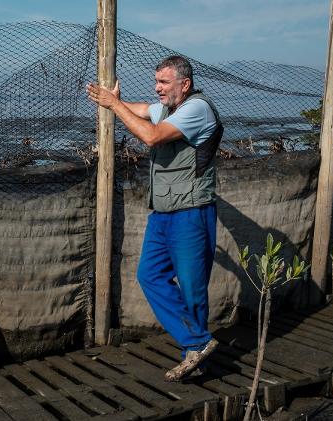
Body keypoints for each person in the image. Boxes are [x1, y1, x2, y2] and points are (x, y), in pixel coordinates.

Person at [87, 56, 223, 382]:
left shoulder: (197, 109)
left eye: (163, 82)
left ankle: (196, 358)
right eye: (156, 81)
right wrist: (116, 101)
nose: (157, 87)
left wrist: (113, 106)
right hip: (162, 214)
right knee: (149, 275)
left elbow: (151, 136)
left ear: (184, 84)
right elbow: (144, 110)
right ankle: (198, 343)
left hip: (191, 212)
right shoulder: (171, 108)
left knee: (192, 290)